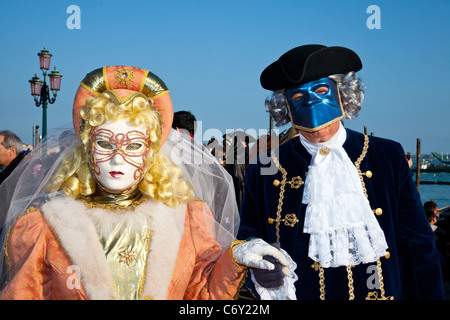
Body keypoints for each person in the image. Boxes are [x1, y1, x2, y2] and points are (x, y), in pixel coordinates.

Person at [0, 65, 288, 300]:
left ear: (151, 154)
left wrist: (235, 258)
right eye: (104, 143)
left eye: (134, 146)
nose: (117, 159)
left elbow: (201, 295)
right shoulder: (45, 226)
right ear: (85, 150)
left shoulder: (187, 220)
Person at [238, 44, 444, 300]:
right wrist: (255, 263)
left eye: (322, 90)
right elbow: (247, 235)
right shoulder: (264, 168)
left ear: (343, 94)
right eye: (299, 97)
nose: (312, 102)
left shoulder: (386, 156)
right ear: (285, 106)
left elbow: (418, 247)